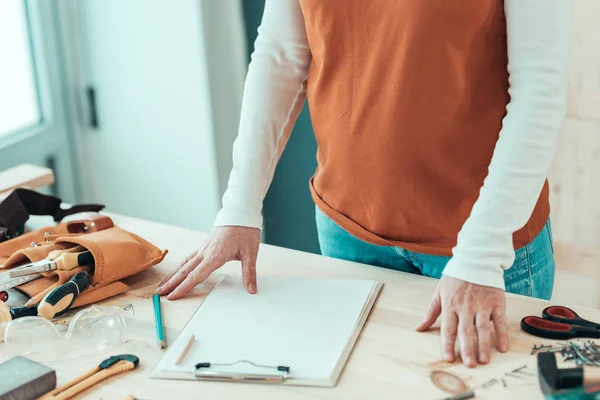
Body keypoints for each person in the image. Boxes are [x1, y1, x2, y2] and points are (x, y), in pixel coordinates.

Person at [156, 0, 570, 368]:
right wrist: (239, 206)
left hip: (479, 247)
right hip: (346, 233)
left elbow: (540, 88)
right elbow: (281, 55)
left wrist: (481, 256)